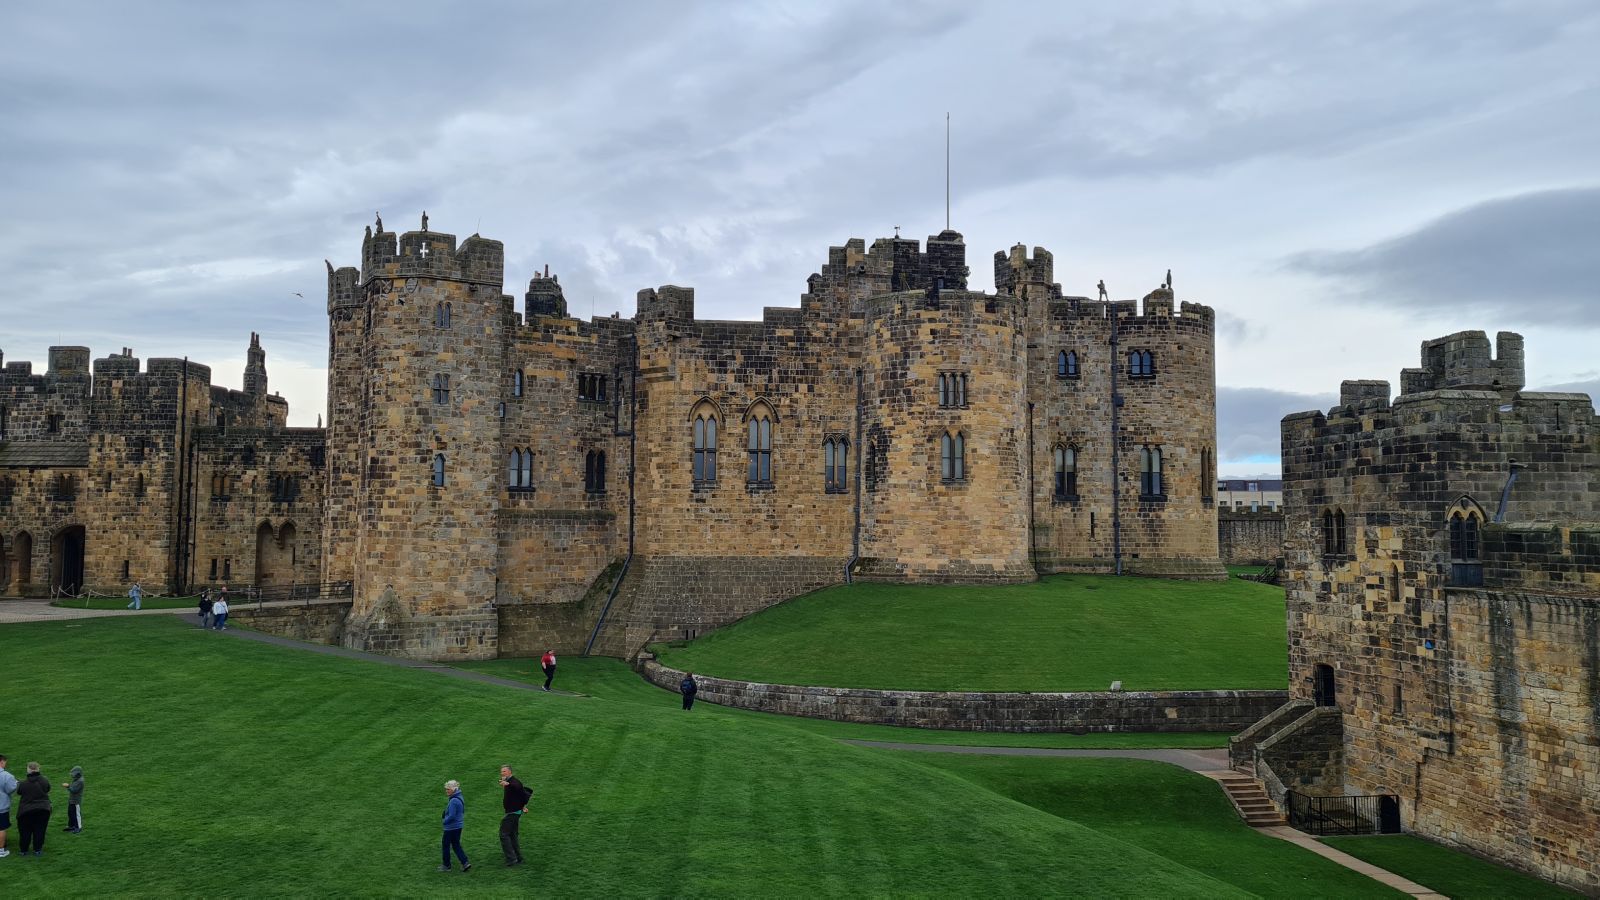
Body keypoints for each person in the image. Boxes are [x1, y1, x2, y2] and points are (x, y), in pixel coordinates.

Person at [498, 765, 532, 867]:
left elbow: (517, 787)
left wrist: (507, 784)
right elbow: (520, 795)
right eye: (501, 772)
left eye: (504, 771)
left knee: (503, 834)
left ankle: (512, 859)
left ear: (509, 772)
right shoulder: (510, 782)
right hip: (515, 812)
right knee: (512, 835)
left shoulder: (514, 782)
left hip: (512, 814)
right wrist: (522, 806)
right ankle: (518, 857)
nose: (502, 773)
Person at [15, 761, 51, 857]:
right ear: (38, 769)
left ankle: (24, 850)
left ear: (28, 770)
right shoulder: (44, 780)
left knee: (24, 831)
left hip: (26, 810)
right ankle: (37, 850)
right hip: (43, 809)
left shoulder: (23, 783)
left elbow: (19, 792)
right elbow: (47, 789)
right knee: (40, 830)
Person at [439, 779, 471, 872]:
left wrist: (444, 821)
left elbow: (452, 815)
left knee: (445, 845)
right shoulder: (460, 796)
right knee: (456, 844)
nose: (446, 791)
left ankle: (446, 865)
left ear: (454, 789)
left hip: (451, 827)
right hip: (458, 826)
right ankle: (465, 862)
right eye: (446, 789)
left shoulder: (453, 801)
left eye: (448, 789)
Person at [0, 754, 17, 858]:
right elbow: (10, 789)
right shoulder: (6, 775)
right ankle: (1, 850)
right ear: (1, 762)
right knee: (1, 828)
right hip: (1, 807)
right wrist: (16, 783)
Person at [61, 766, 84, 833]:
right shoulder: (76, 779)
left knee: (76, 814)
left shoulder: (80, 781)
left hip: (76, 801)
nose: (72, 774)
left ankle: (78, 827)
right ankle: (71, 826)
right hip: (72, 800)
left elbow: (74, 790)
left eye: (73, 773)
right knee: (70, 813)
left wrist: (67, 786)